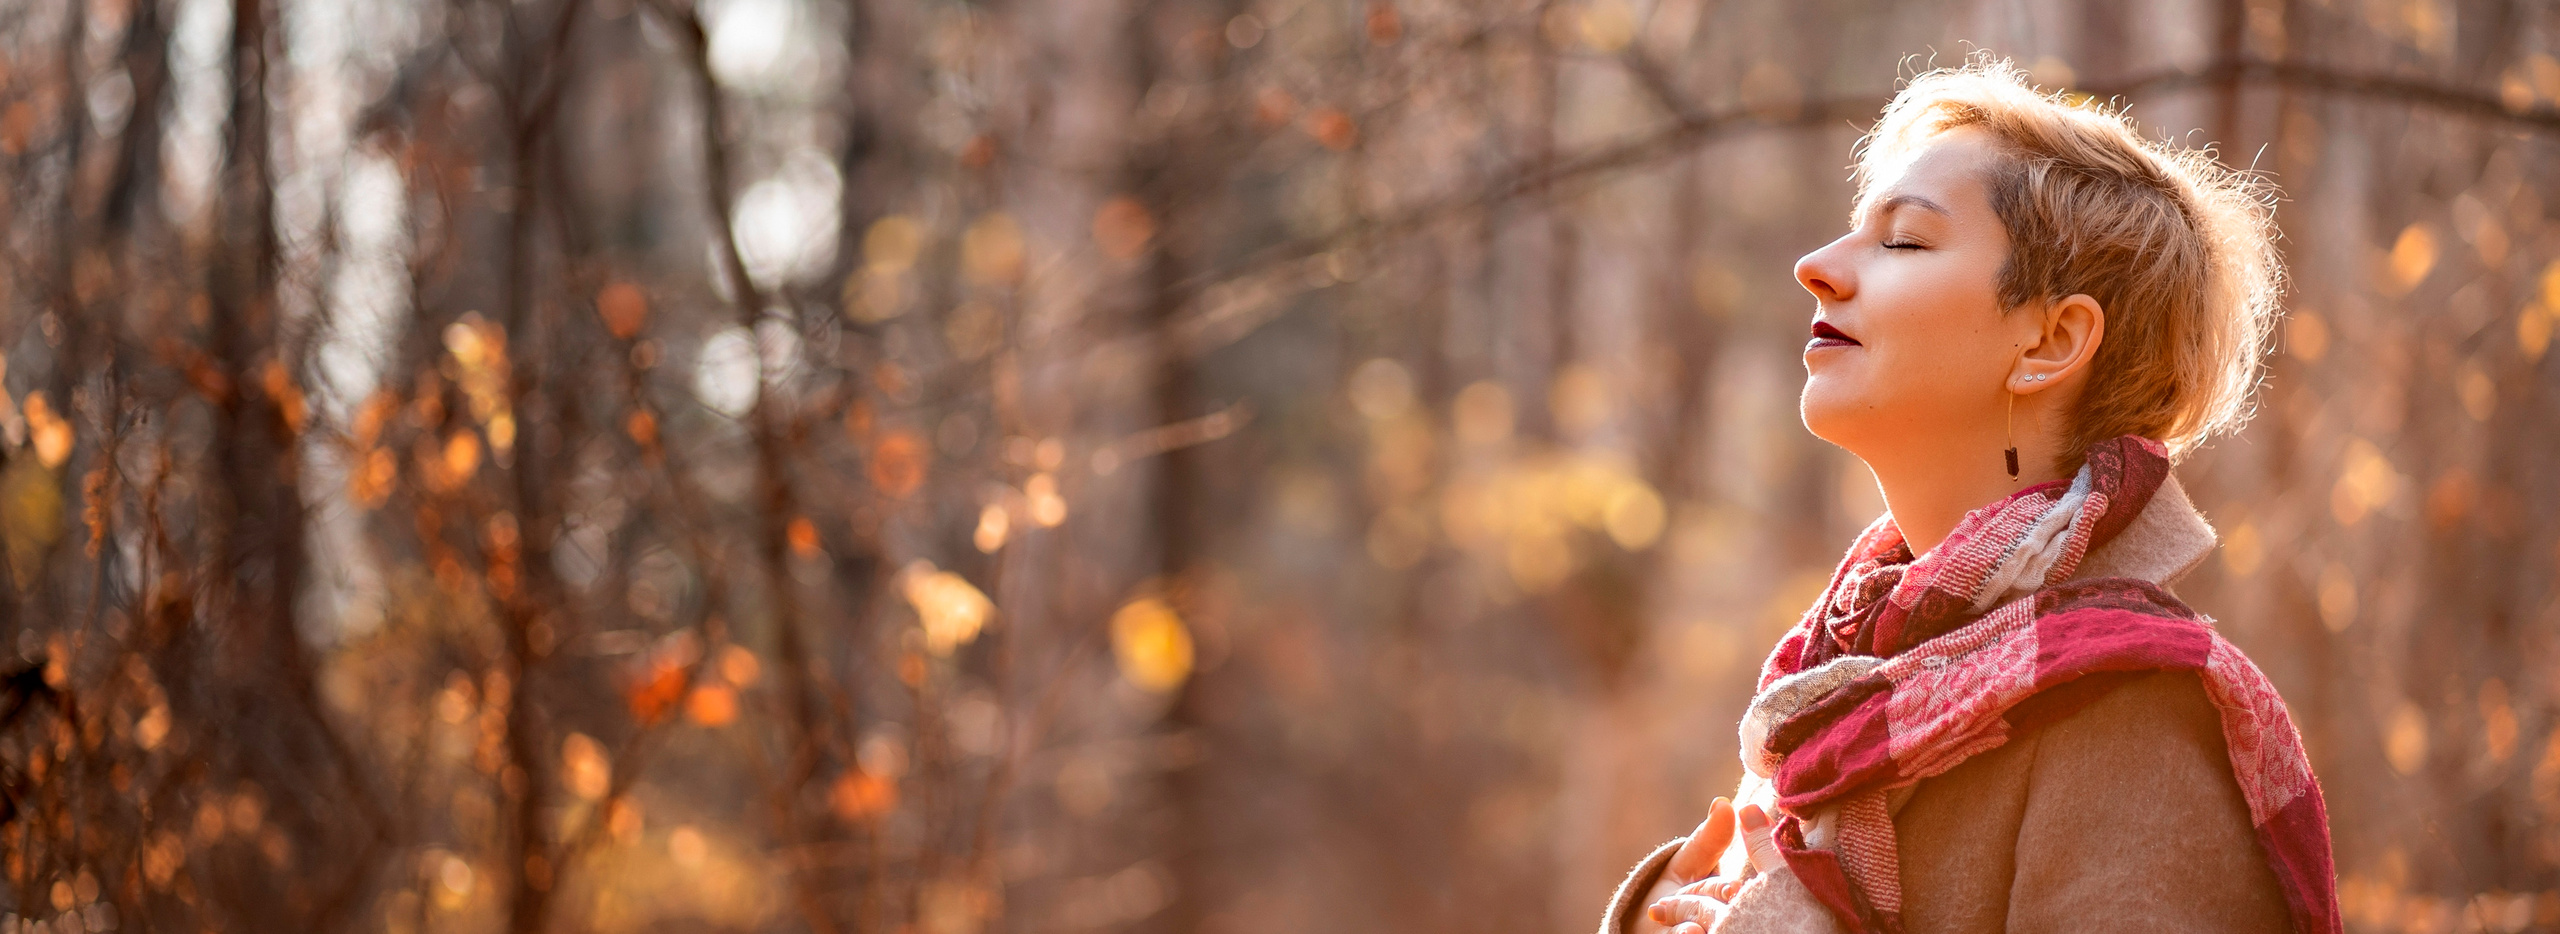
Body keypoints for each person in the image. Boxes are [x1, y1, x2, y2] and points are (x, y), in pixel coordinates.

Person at [1594, 59, 2339, 934]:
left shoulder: (2131, 716)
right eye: (1851, 231)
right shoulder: (1836, 696)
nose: (1816, 267)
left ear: (2051, 340)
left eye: (1903, 240)